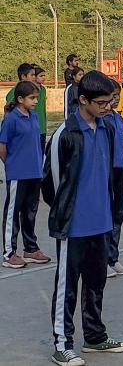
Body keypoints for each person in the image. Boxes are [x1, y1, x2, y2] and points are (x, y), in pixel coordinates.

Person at [41, 71, 123, 365]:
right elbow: (50, 183)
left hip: (101, 221)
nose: (109, 107)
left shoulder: (105, 128)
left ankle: (94, 337)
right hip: (74, 225)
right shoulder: (64, 135)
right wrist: (67, 212)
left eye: (111, 102)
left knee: (96, 282)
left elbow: (107, 171)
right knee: (67, 286)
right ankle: (62, 343)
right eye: (103, 103)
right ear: (83, 100)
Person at [1, 80, 48, 269]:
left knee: (30, 212)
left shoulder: (34, 117)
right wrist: (12, 164)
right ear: (20, 99)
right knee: (13, 212)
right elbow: (2, 147)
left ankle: (30, 248)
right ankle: (8, 252)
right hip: (18, 173)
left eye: (36, 97)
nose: (35, 101)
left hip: (34, 172)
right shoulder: (11, 119)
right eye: (32, 98)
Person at [105, 79, 123, 279]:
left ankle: (112, 257)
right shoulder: (101, 120)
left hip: (120, 172)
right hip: (105, 173)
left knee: (117, 217)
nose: (115, 101)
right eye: (112, 96)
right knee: (104, 218)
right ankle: (101, 259)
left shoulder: (117, 118)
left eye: (117, 96)